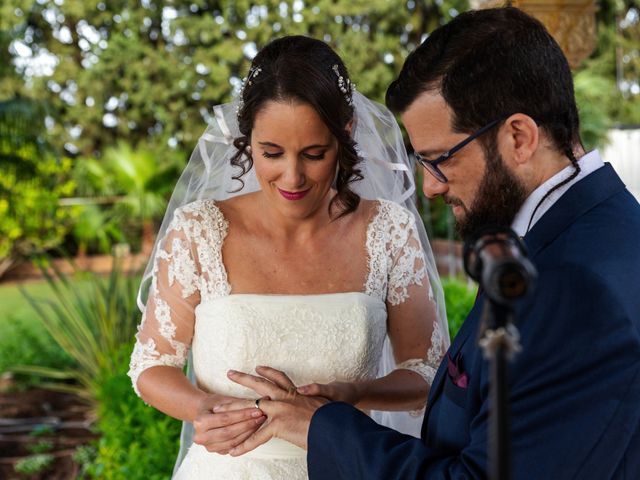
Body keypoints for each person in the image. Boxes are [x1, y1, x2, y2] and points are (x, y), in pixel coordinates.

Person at [219, 7, 640, 479]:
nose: (432, 187)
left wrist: (321, 427)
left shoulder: (576, 287)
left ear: (518, 137)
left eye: (440, 159)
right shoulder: (574, 236)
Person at [127, 35, 450, 479]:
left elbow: (427, 372)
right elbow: (152, 364)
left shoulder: (388, 231)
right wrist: (205, 407)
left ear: (347, 134)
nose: (292, 176)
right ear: (247, 139)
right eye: (271, 153)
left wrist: (352, 394)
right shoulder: (199, 230)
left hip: (345, 466)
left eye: (314, 154)